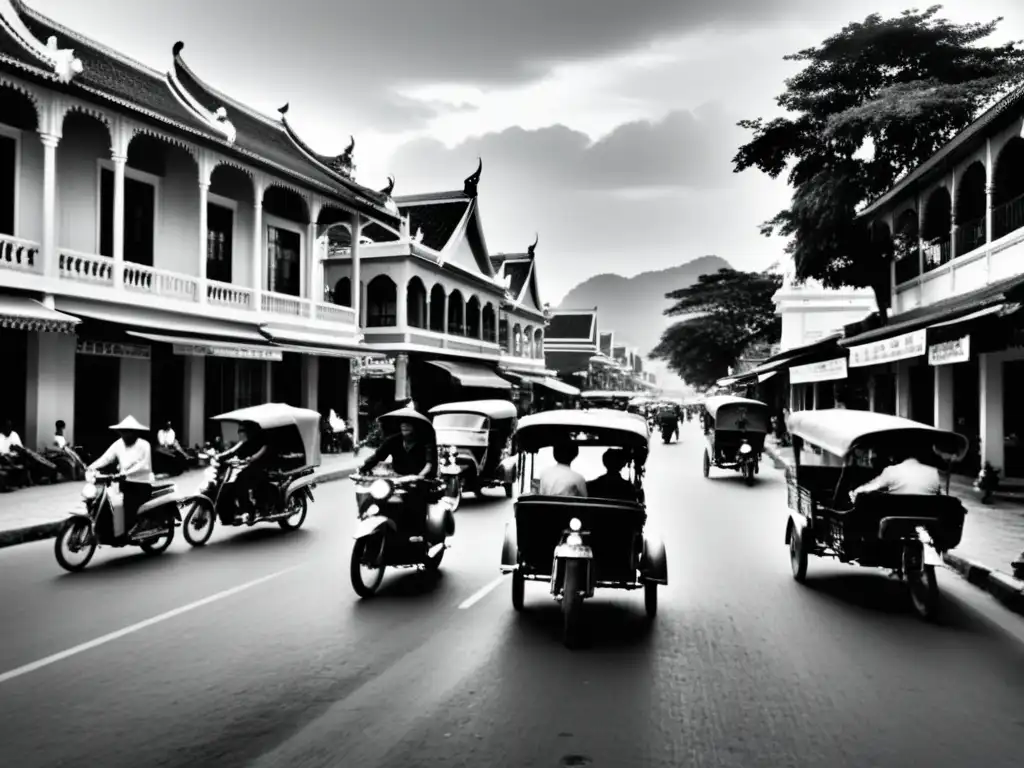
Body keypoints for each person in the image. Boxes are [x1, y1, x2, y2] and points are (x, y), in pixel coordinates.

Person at [88, 416, 154, 541]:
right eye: (123, 431)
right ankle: (109, 533)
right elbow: (106, 458)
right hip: (123, 483)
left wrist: (127, 473)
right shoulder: (118, 444)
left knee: (127, 506)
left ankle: (124, 534)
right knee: (106, 503)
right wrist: (91, 467)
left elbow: (144, 465)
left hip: (141, 484)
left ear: (136, 432)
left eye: (129, 431)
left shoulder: (144, 445)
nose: (126, 434)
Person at [215, 421, 273, 523]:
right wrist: (218, 457)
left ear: (250, 431)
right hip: (247, 468)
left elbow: (261, 452)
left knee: (240, 483)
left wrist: (252, 458)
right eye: (239, 430)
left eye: (242, 430)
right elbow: (231, 452)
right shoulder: (243, 443)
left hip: (262, 469)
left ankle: (250, 510)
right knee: (228, 485)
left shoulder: (262, 442)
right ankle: (229, 515)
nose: (239, 433)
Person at [849, 447, 942, 502]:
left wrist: (856, 492)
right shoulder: (933, 472)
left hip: (896, 522)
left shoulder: (891, 471)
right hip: (927, 520)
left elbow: (870, 488)